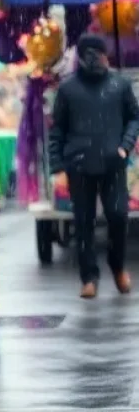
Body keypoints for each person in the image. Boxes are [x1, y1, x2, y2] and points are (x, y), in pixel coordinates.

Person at [49, 34, 139, 298]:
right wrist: (58, 168)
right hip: (78, 164)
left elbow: (134, 118)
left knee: (118, 216)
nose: (93, 58)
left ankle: (118, 267)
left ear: (105, 55)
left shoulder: (120, 85)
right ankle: (89, 277)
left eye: (97, 53)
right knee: (84, 222)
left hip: (113, 163)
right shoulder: (67, 89)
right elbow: (57, 132)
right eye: (88, 53)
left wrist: (125, 144)